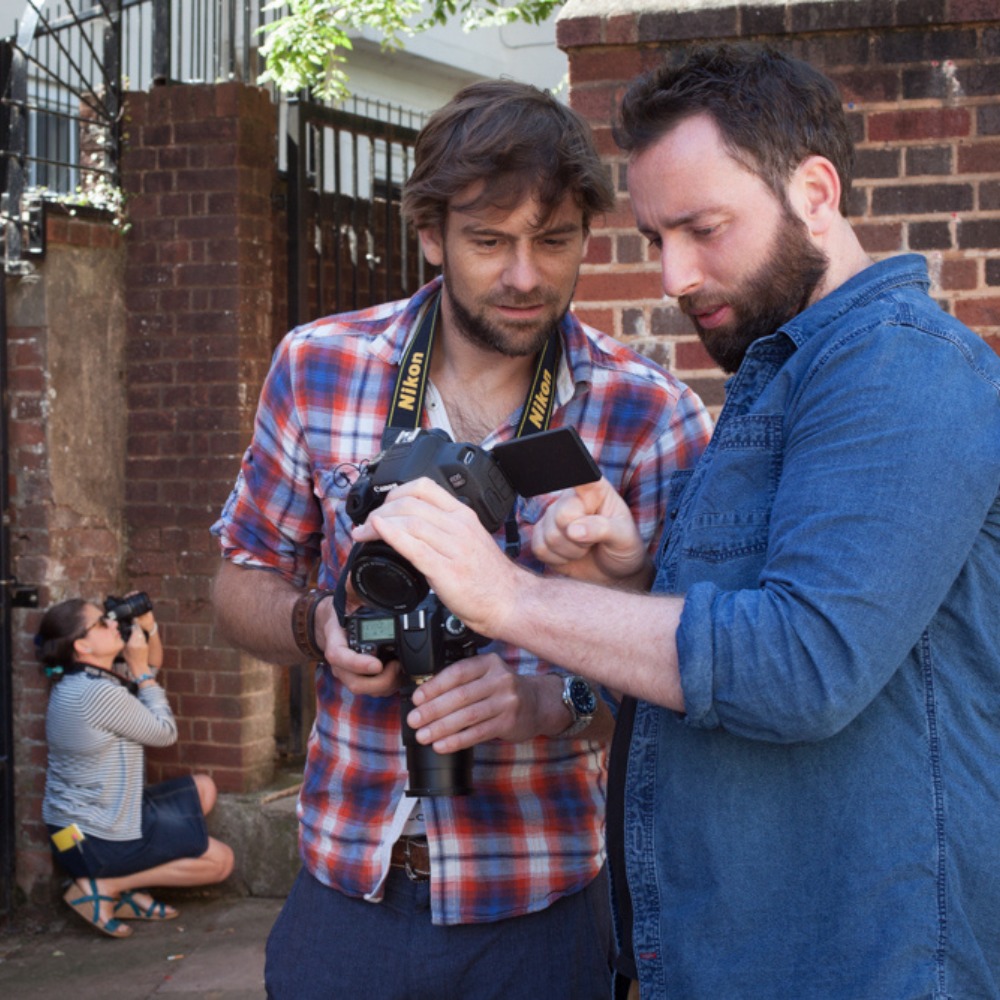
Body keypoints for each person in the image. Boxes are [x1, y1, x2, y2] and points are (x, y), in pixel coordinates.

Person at [350, 45, 1000, 1000]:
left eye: (703, 228)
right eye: (658, 238)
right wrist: (625, 576)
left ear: (815, 193)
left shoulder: (902, 369)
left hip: (860, 963)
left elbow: (804, 664)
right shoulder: (784, 372)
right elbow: (720, 641)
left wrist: (507, 598)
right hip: (741, 953)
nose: (674, 276)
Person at [211, 79, 711, 999]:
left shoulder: (651, 414)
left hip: (542, 908)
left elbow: (691, 669)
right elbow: (239, 578)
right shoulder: (319, 365)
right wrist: (316, 624)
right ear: (431, 235)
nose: (524, 276)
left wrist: (548, 701)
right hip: (344, 893)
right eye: (489, 241)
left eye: (553, 240)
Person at [37, 596, 235, 939]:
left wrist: (149, 629)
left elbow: (150, 667)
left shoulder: (82, 680)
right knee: (221, 861)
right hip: (95, 839)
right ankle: (107, 887)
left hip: (72, 832)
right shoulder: (97, 695)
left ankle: (121, 888)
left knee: (204, 787)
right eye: (103, 623)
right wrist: (141, 672)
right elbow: (164, 733)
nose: (114, 623)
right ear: (82, 645)